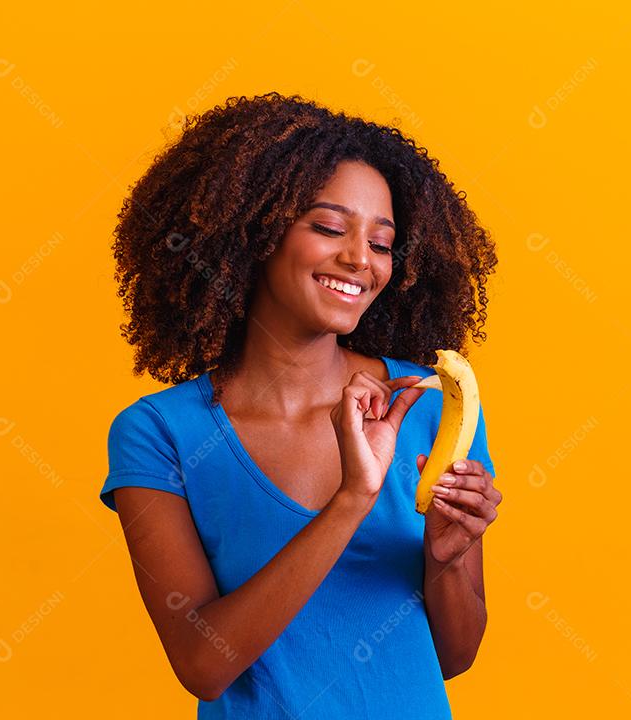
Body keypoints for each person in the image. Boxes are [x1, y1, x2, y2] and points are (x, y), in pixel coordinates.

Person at [99, 92, 503, 719]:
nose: (358, 261)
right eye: (328, 228)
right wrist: (351, 502)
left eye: (382, 243)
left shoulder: (428, 406)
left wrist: (445, 560)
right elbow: (203, 666)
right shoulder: (160, 434)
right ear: (253, 233)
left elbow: (455, 655)